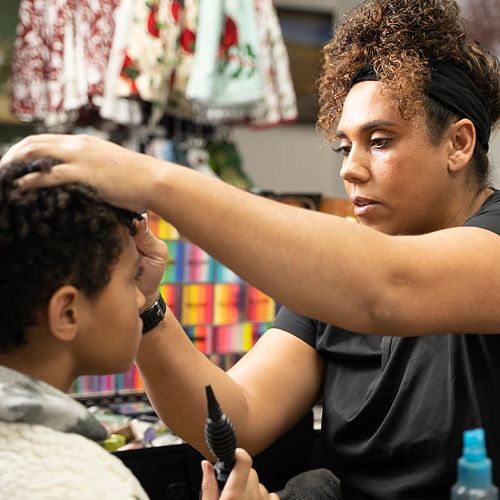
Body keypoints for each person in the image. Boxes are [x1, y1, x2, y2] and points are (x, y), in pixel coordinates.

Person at [2, 0, 499, 498]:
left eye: (381, 141)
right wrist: (147, 310)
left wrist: (152, 180)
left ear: (458, 143)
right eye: (345, 147)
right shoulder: (338, 278)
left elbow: (388, 288)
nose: (350, 168)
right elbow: (238, 416)